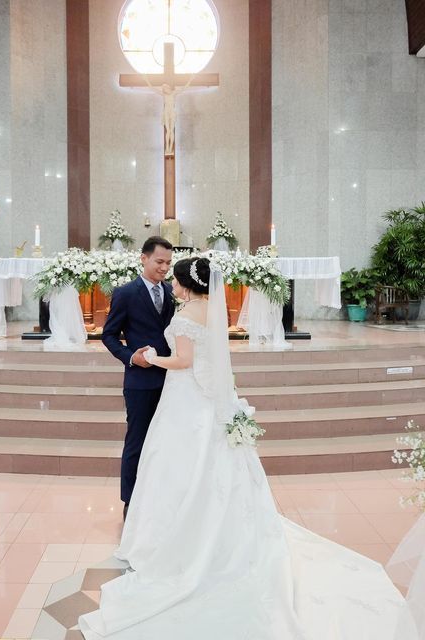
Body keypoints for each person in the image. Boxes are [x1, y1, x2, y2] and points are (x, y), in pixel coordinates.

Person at [80, 256, 417, 640]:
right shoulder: (212, 307)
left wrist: (150, 356)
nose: (171, 285)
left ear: (187, 284)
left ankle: (177, 540)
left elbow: (185, 360)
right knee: (199, 466)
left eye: (175, 280)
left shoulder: (189, 312)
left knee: (176, 465)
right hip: (205, 400)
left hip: (186, 399)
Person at [101, 236, 174, 521]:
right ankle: (130, 500)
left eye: (168, 263)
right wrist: (132, 357)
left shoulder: (171, 292)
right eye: (159, 262)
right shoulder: (126, 293)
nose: (164, 268)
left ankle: (159, 495)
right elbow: (108, 335)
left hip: (170, 379)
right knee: (137, 441)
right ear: (143, 259)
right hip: (140, 381)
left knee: (165, 441)